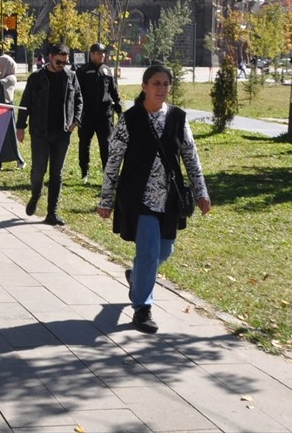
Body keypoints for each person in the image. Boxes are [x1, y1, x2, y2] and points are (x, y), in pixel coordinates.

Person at [96, 64, 211, 334]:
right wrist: (106, 199)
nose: (161, 88)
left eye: (165, 84)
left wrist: (201, 192)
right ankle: (143, 308)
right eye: (156, 83)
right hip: (138, 199)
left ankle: (136, 277)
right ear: (144, 87)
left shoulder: (178, 118)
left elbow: (191, 158)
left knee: (164, 250)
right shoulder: (131, 118)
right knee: (147, 252)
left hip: (169, 199)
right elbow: (114, 162)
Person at [16, 43, 83, 225]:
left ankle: (52, 213)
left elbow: (79, 99)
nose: (62, 65)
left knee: (57, 173)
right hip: (40, 131)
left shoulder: (71, 77)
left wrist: (75, 121)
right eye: (59, 61)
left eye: (65, 62)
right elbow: (25, 102)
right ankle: (36, 193)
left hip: (62, 132)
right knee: (38, 170)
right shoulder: (37, 78)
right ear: (50, 58)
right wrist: (20, 126)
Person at [75, 43, 122, 184]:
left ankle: (107, 174)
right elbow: (76, 94)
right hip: (87, 115)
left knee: (106, 145)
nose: (102, 56)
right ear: (92, 54)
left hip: (104, 115)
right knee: (84, 144)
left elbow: (113, 91)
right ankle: (85, 171)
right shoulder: (82, 71)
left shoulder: (107, 71)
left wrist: (119, 108)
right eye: (99, 53)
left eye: (103, 53)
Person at [0, 52, 26, 170]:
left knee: (10, 136)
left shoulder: (11, 78)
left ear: (6, 65)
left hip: (6, 110)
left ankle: (19, 160)